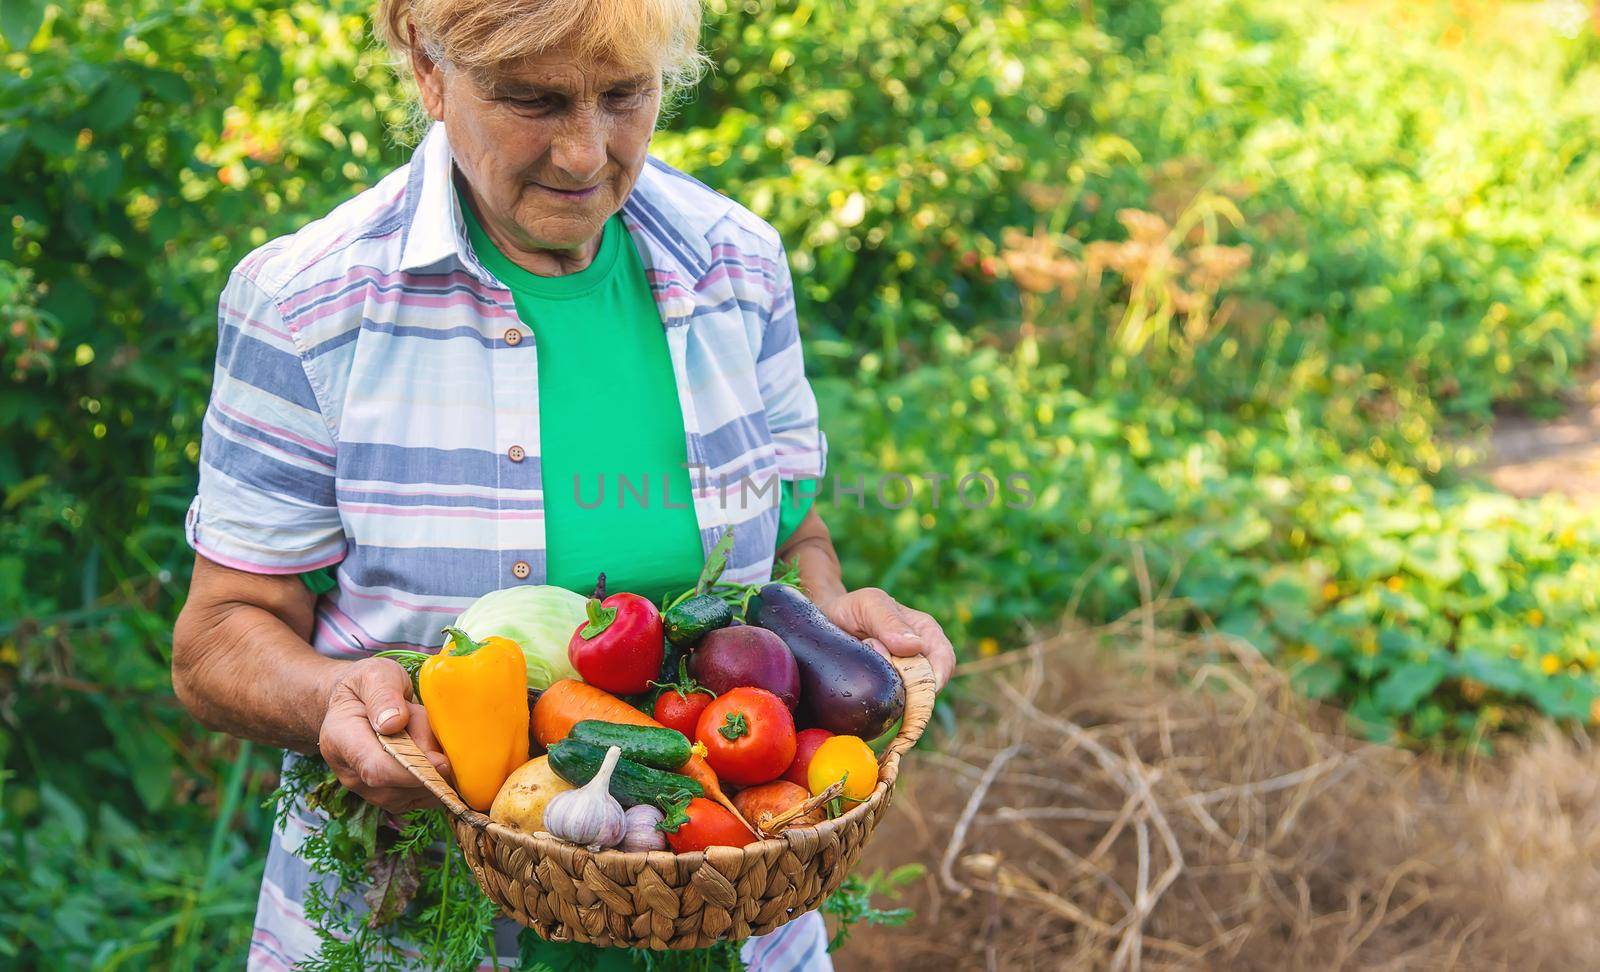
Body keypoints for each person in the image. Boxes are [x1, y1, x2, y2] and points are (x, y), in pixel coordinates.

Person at [170, 0, 957, 967]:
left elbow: (794, 532)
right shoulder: (308, 301)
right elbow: (217, 636)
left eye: (625, 95)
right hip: (411, 930)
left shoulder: (736, 265)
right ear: (428, 67)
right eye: (532, 100)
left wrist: (835, 617)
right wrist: (334, 698)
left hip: (733, 914)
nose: (586, 155)